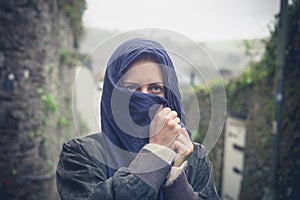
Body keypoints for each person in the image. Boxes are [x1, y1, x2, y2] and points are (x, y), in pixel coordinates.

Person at [56, 38, 221, 199]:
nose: (143, 97)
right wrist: (156, 153)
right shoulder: (82, 155)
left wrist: (175, 177)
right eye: (131, 88)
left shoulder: (194, 157)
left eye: (155, 88)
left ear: (169, 95)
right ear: (113, 96)